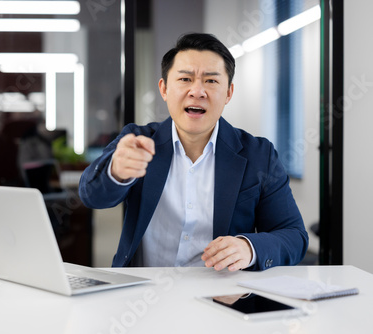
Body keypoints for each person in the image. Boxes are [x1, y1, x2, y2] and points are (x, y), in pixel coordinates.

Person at [79, 33, 308, 271]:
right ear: (164, 89)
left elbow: (294, 236)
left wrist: (249, 248)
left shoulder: (259, 155)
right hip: (143, 295)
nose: (197, 91)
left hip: (222, 297)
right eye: (185, 79)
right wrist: (116, 171)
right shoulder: (138, 141)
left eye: (211, 81)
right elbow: (91, 196)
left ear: (229, 93)